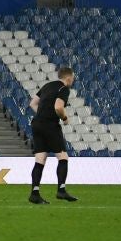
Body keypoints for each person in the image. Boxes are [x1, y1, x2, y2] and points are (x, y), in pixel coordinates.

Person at [28, 66, 77, 204]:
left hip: (37, 123)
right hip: (50, 125)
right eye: (72, 78)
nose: (72, 80)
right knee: (63, 157)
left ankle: (34, 193)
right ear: (68, 78)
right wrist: (65, 118)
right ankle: (61, 190)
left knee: (40, 159)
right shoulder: (64, 89)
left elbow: (33, 103)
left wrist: (42, 114)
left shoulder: (47, 85)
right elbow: (58, 107)